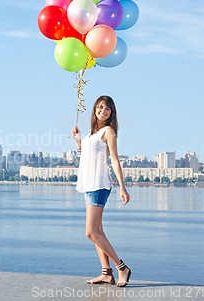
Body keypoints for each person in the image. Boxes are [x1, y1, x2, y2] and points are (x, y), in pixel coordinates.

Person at [72, 95, 132, 287]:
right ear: (94, 110)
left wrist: (122, 187)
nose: (102, 111)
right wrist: (78, 141)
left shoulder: (109, 132)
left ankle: (121, 267)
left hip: (99, 184)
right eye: (99, 107)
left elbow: (114, 160)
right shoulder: (92, 134)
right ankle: (106, 273)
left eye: (107, 109)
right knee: (98, 231)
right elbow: (87, 155)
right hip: (89, 184)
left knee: (90, 232)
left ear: (112, 113)